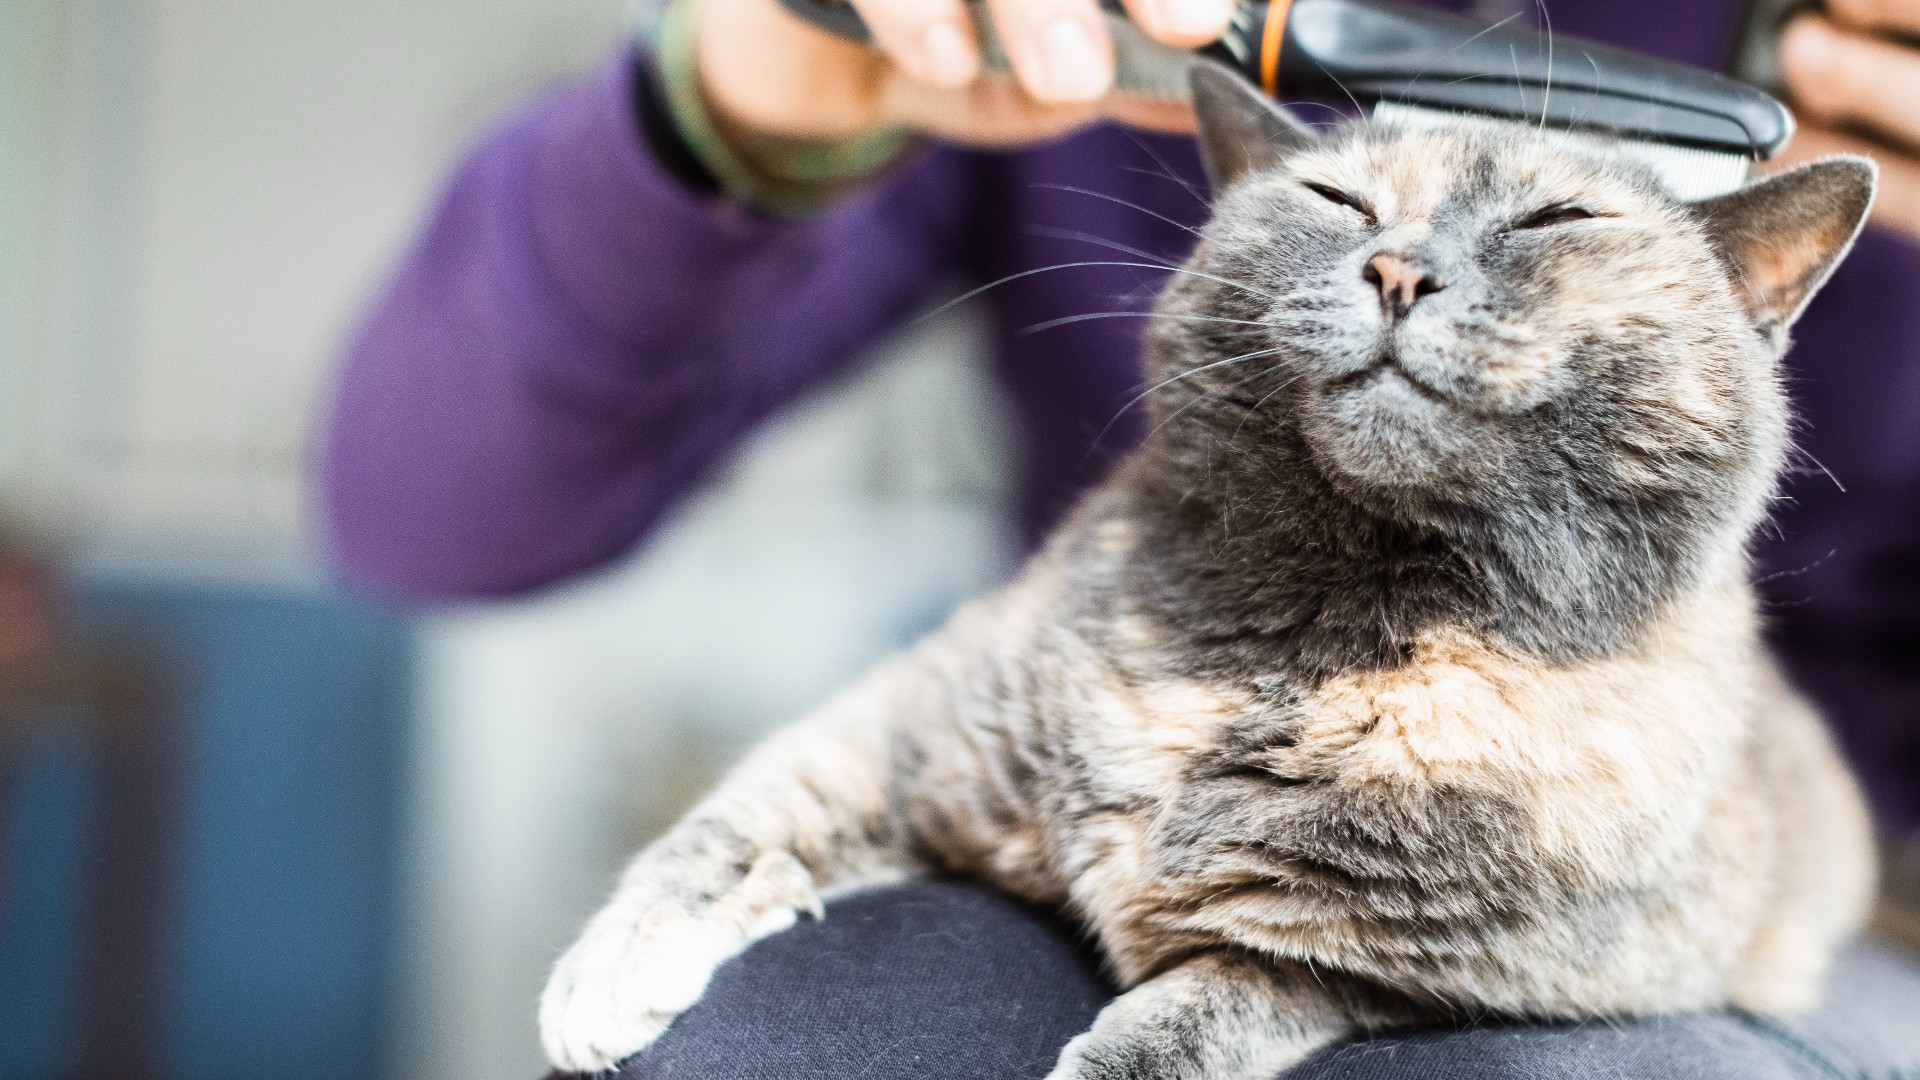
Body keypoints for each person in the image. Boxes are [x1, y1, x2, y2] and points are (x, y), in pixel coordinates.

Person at [322, 0, 1920, 1074]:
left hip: (1772, 879)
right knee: (801, 1046)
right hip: (1101, 750)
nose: (1404, 281)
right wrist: (738, 96)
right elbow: (429, 513)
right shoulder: (1122, 52)